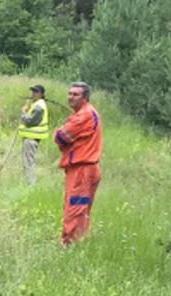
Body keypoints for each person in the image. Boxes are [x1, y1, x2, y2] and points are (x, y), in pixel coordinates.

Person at [54, 81, 103, 245]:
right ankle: (78, 242)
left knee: (75, 209)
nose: (71, 97)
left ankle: (68, 244)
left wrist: (58, 132)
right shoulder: (84, 113)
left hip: (82, 169)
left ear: (85, 98)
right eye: (69, 93)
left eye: (76, 94)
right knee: (80, 209)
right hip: (84, 169)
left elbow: (61, 136)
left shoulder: (84, 115)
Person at [18, 85, 49, 184]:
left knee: (28, 162)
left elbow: (30, 122)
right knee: (27, 161)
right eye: (32, 92)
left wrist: (23, 112)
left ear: (41, 94)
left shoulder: (39, 106)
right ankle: (28, 183)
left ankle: (31, 185)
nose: (33, 94)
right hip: (30, 138)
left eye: (36, 92)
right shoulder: (36, 104)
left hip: (32, 139)